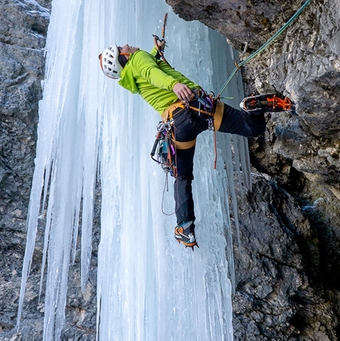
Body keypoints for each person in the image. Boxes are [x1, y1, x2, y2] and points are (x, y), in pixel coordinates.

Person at [99, 39, 292, 248]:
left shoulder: (132, 74)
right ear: (123, 57)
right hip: (199, 107)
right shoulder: (138, 59)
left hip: (179, 126)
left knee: (182, 177)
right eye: (122, 48)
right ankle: (251, 109)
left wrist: (157, 52)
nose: (127, 44)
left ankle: (185, 228)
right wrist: (174, 84)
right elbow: (151, 72)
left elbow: (148, 69)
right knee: (251, 128)